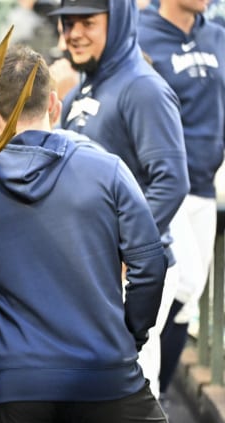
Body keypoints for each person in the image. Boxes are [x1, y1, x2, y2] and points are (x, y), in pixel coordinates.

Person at [0, 44, 169, 423]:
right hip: (108, 374)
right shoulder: (106, 169)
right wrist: (130, 337)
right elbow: (150, 265)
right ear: (55, 105)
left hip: (20, 387)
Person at [50, 0, 189, 397]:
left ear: (120, 19)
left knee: (129, 393)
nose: (73, 32)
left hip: (132, 276)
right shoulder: (83, 87)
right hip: (94, 270)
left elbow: (171, 181)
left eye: (87, 22)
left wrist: (127, 251)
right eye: (67, 22)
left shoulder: (142, 86)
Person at [138, 0, 225, 401]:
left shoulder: (217, 35)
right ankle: (145, 393)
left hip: (205, 188)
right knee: (174, 286)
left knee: (186, 298)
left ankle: (157, 395)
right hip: (163, 185)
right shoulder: (141, 31)